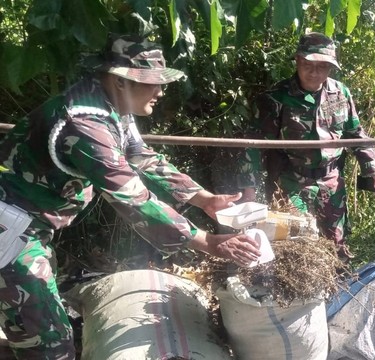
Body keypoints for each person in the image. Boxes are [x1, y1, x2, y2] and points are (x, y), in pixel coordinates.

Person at [0, 34, 261, 359]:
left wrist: (204, 198)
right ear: (121, 81)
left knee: (32, 327)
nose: (161, 90)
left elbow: (143, 157)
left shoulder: (111, 109)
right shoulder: (85, 126)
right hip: (12, 232)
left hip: (28, 227)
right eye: (152, 82)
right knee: (50, 344)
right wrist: (205, 241)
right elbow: (132, 198)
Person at [238, 32, 375, 260]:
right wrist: (248, 189)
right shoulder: (277, 98)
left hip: (331, 184)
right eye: (308, 64)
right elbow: (254, 144)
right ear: (298, 62)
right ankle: (294, 295)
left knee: (335, 246)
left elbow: (355, 133)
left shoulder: (340, 93)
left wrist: (372, 167)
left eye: (322, 66)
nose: (314, 72)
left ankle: (335, 292)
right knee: (294, 247)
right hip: (291, 183)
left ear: (331, 68)